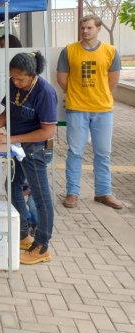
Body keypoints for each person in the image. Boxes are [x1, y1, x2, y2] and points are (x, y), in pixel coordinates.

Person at [0, 52, 57, 264]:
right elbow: (10, 111)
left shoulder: (45, 92)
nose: (15, 82)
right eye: (12, 78)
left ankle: (42, 246)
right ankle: (24, 234)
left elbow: (48, 132)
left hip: (37, 149)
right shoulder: (15, 85)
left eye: (20, 79)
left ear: (33, 75)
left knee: (41, 197)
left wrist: (12, 137)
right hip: (18, 147)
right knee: (12, 184)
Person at [57, 14, 123, 209]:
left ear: (98, 28)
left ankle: (104, 193)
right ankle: (72, 193)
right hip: (76, 109)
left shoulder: (110, 52)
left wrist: (98, 95)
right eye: (83, 28)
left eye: (89, 28)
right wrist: (77, 95)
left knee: (103, 153)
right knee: (75, 152)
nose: (85, 31)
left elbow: (113, 81)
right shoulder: (69, 51)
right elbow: (62, 79)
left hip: (103, 110)